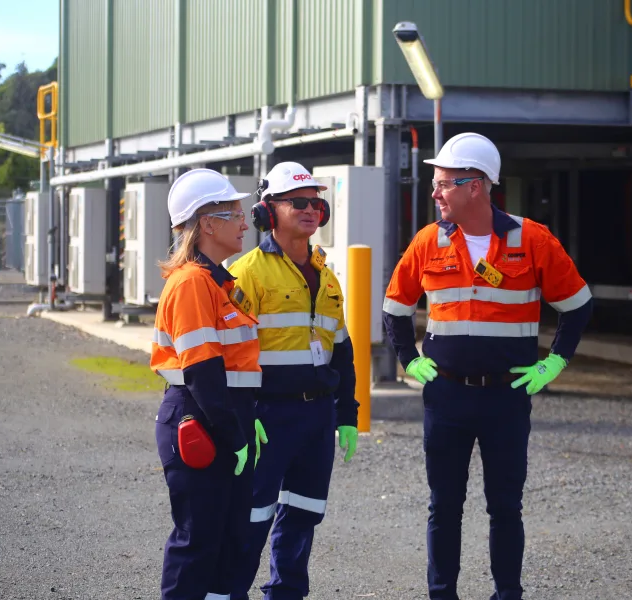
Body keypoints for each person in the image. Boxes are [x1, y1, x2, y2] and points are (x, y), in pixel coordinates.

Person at [382, 133, 593, 600]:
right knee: (444, 506)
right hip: (447, 396)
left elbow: (577, 305)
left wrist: (555, 362)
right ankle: (442, 594)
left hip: (506, 397)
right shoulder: (428, 241)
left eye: (442, 184)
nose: (435, 193)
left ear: (475, 186)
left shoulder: (532, 239)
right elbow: (395, 308)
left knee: (505, 506)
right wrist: (408, 361)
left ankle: (507, 594)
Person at [228, 161, 359, 600]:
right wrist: (243, 415)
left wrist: (347, 414)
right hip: (269, 416)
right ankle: (230, 593)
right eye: (298, 202)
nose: (310, 210)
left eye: (316, 203)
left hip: (317, 416)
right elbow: (229, 352)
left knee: (304, 513)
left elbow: (341, 346)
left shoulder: (327, 274)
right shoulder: (247, 272)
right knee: (252, 516)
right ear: (269, 211)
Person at [150, 168, 265, 600]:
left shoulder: (217, 281)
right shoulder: (193, 284)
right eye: (234, 213)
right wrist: (233, 432)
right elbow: (201, 372)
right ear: (207, 223)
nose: (244, 222)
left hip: (218, 417)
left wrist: (244, 418)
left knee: (228, 544)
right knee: (199, 543)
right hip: (200, 419)